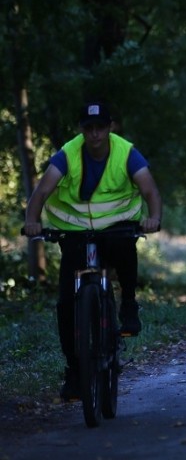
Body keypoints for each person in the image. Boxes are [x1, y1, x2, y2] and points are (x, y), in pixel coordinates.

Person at [23, 102, 162, 401]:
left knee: (126, 248)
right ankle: (75, 371)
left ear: (110, 127)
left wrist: (154, 218)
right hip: (74, 231)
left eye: (100, 127)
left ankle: (128, 304)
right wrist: (32, 222)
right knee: (65, 304)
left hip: (115, 227)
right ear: (82, 130)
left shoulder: (126, 152)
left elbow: (150, 190)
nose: (95, 134)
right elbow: (43, 191)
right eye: (89, 128)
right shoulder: (68, 154)